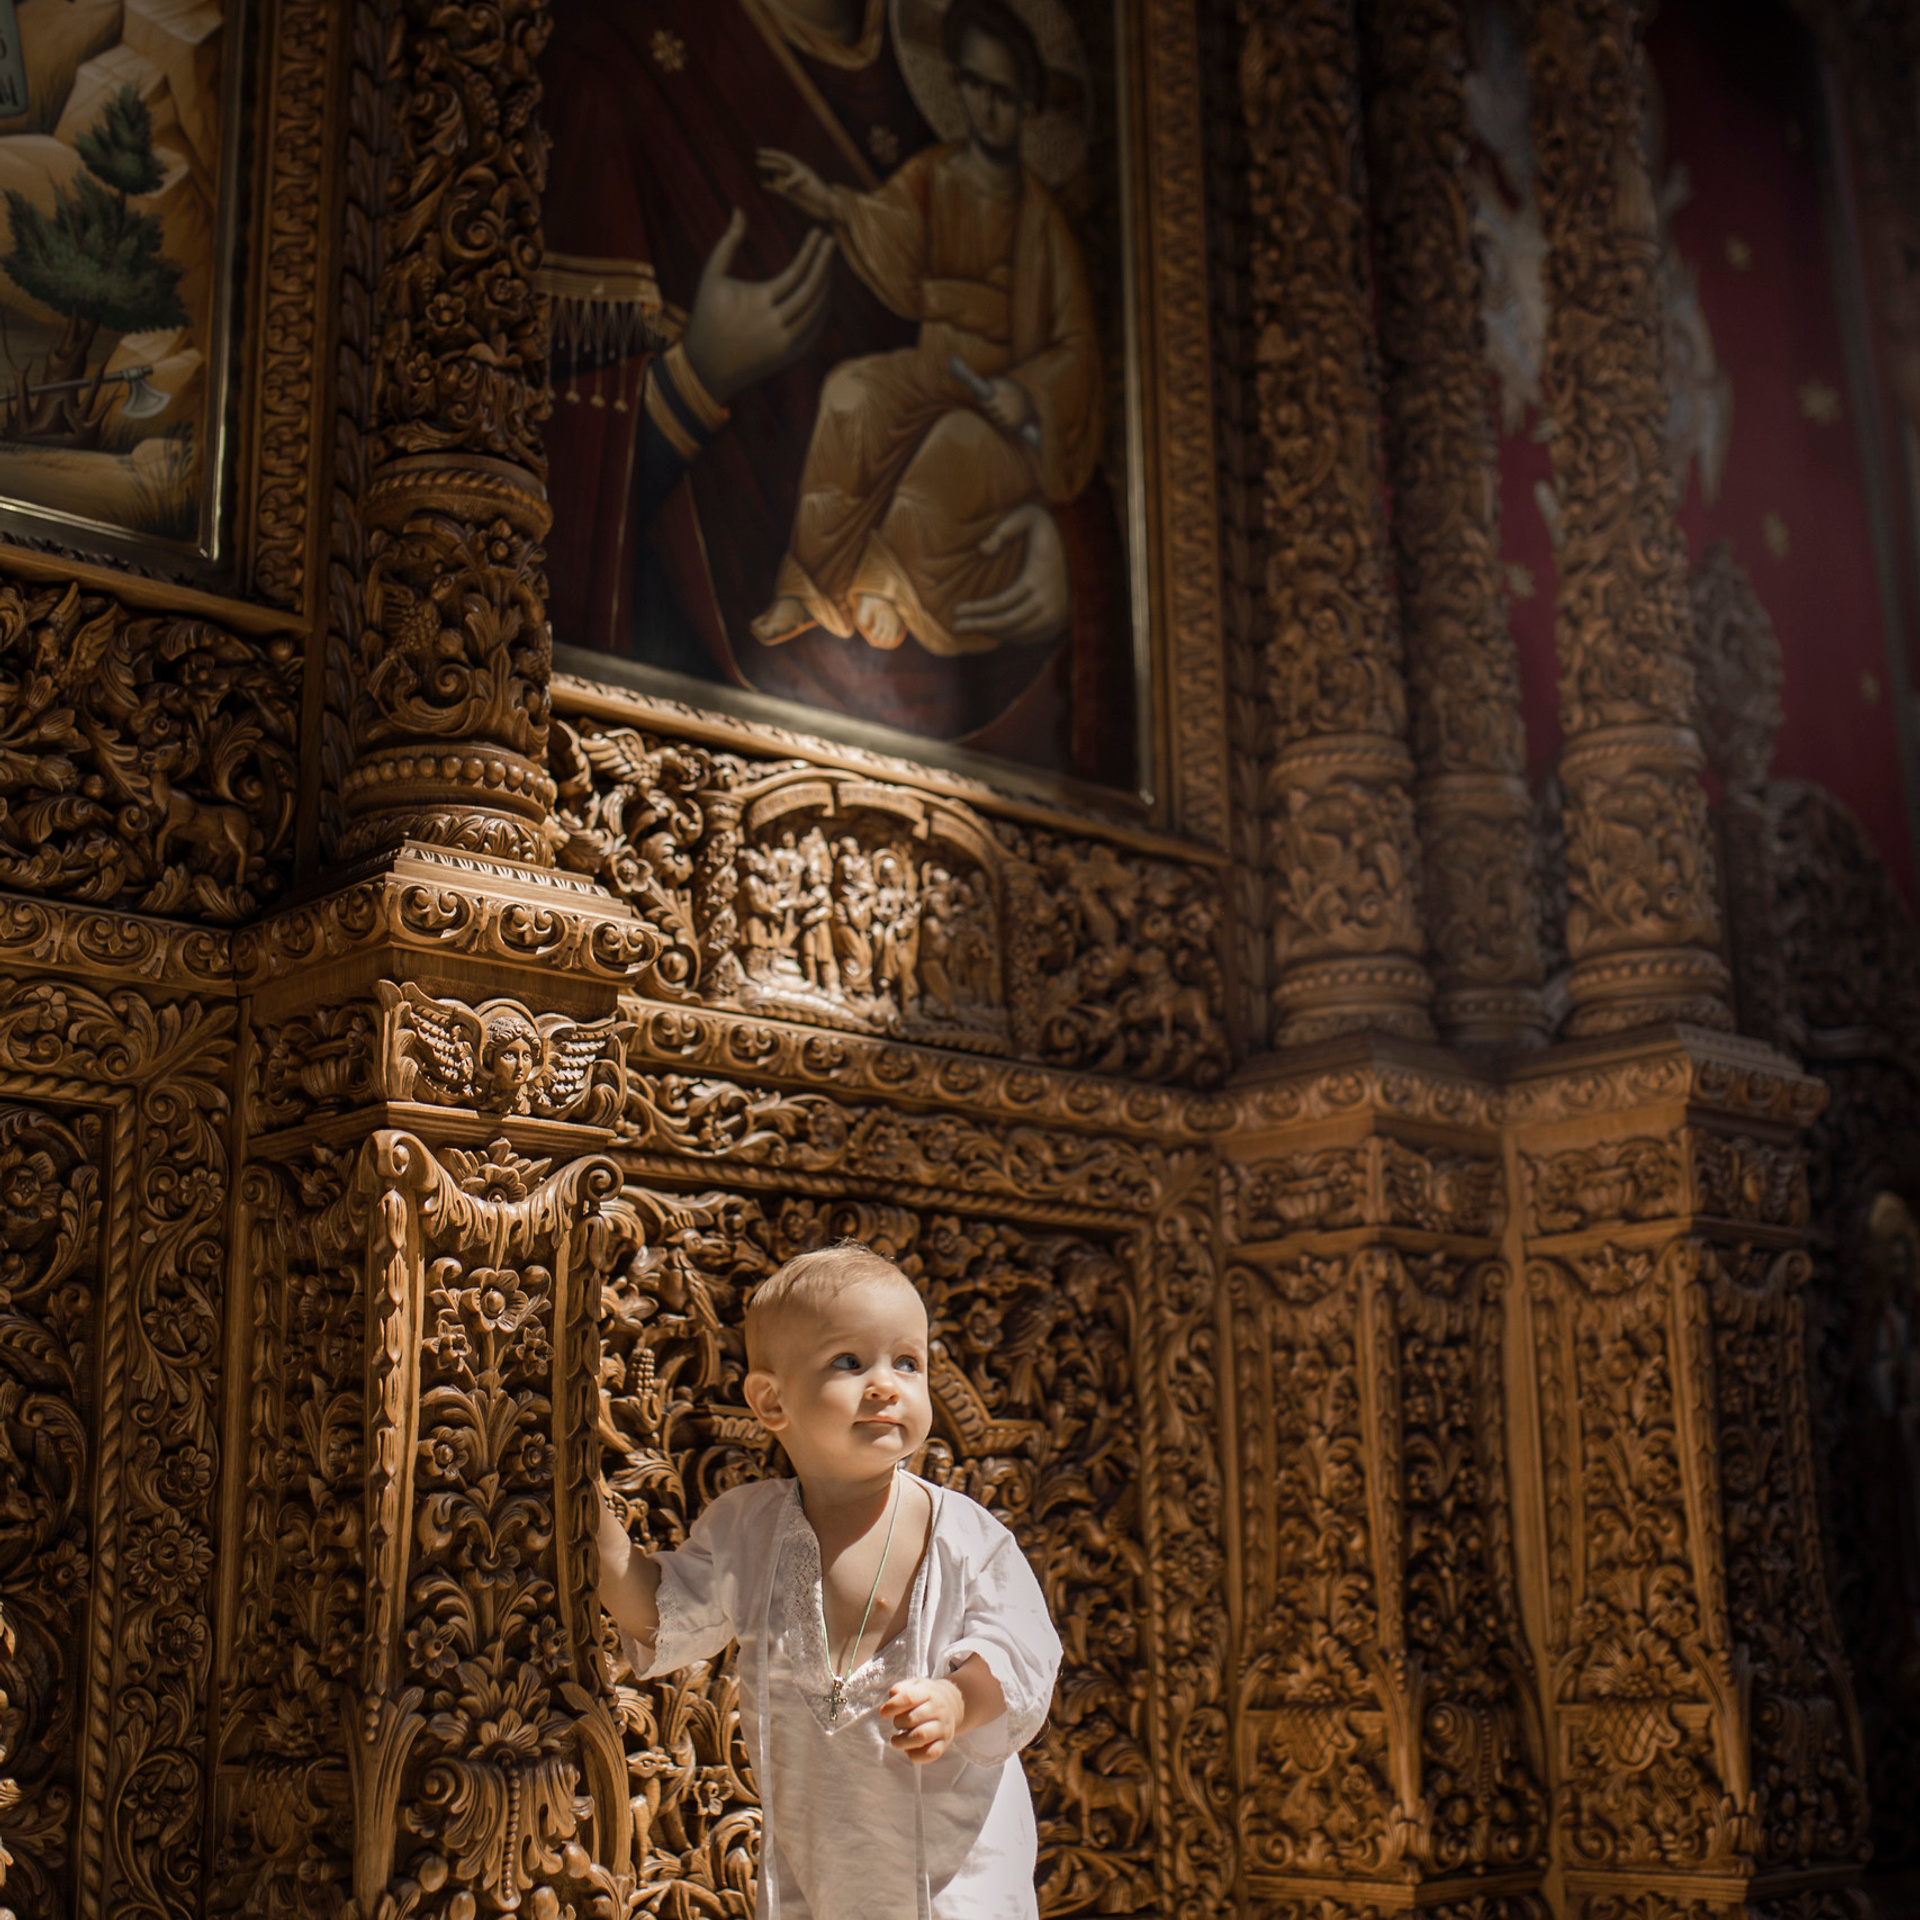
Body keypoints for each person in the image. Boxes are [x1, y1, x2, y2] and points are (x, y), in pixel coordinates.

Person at [596, 1242, 1061, 1918]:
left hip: (955, 1883)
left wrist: (958, 1701)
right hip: (821, 1876)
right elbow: (658, 1612)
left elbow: (1023, 1651)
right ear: (771, 1401)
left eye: (908, 1362)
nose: (885, 1384)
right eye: (850, 1362)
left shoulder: (965, 1537)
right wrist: (588, 1518)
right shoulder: (748, 1531)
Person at [748, 0, 1101, 658]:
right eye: (972, 84)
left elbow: (1077, 348)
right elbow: (888, 233)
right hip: (935, 364)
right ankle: (810, 586)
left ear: (1026, 104)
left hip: (1000, 397)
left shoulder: (1043, 220)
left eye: (1002, 93)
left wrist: (1025, 393)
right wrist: (826, 201)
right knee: (852, 393)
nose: (985, 107)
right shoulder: (935, 176)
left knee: (953, 446)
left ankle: (891, 586)